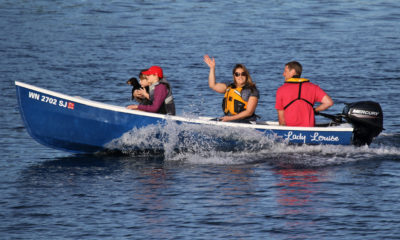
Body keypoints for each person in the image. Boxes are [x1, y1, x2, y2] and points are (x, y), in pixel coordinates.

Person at [275, 61, 334, 127]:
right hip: (309, 128)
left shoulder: (281, 90)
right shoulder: (313, 87)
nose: (283, 74)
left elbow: (281, 119)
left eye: (285, 71)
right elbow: (329, 102)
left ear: (293, 71)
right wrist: (314, 110)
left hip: (290, 129)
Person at [203, 54, 259, 123]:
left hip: (246, 121)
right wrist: (212, 68)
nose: (240, 76)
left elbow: (249, 112)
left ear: (246, 75)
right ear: (234, 76)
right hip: (230, 120)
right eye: (237, 74)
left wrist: (230, 118)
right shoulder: (229, 87)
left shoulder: (252, 90)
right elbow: (212, 85)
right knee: (210, 122)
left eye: (243, 74)